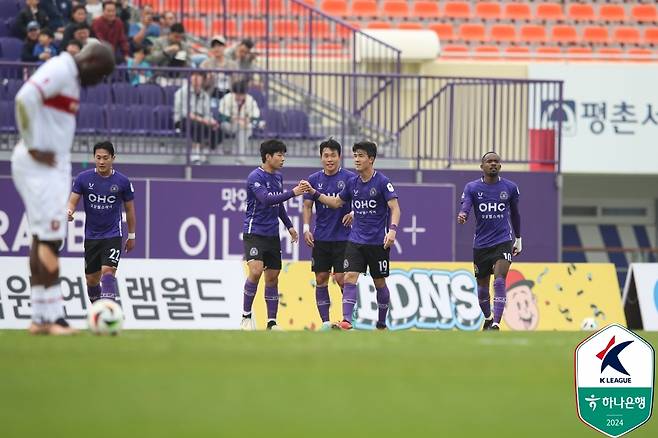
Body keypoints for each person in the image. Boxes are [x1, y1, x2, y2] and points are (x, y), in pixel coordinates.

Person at [11, 42, 115, 335]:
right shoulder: (60, 68)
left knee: (42, 238)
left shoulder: (70, 76)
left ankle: (40, 317)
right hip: (41, 165)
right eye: (101, 73)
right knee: (49, 242)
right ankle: (53, 318)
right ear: (92, 61)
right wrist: (33, 145)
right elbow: (24, 98)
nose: (98, 81)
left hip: (48, 165)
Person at [306, 141, 401, 330]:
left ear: (371, 159)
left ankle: (381, 323)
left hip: (377, 243)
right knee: (349, 277)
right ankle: (347, 321)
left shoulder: (382, 182)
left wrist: (392, 230)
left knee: (379, 282)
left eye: (361, 156)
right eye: (355, 155)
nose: (356, 159)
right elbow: (335, 202)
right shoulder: (352, 183)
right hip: (355, 241)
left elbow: (395, 208)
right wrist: (315, 193)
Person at [241, 140, 307, 331]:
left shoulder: (278, 177)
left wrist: (289, 226)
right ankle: (246, 317)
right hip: (254, 232)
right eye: (279, 154)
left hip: (272, 234)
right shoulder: (255, 177)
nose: (282, 158)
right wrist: (293, 193)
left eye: (283, 155)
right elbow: (266, 200)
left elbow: (278, 206)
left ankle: (271, 322)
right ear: (268, 157)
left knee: (273, 278)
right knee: (255, 271)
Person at [457, 151, 522, 331]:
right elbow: (466, 205)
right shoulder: (472, 187)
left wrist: (518, 239)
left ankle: (496, 323)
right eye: (489, 161)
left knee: (499, 281)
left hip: (503, 240)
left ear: (500, 166)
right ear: (482, 166)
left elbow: (516, 214)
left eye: (496, 161)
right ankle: (488, 317)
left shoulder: (510, 187)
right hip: (481, 244)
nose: (493, 164)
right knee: (483, 290)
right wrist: (463, 214)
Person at [67, 141, 136, 304]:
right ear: (94, 158)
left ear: (113, 158)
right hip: (92, 236)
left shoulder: (122, 182)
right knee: (91, 281)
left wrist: (131, 235)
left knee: (108, 272)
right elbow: (72, 202)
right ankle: (99, 313)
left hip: (113, 234)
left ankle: (108, 312)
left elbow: (130, 210)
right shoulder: (83, 179)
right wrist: (69, 212)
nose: (102, 161)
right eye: (98, 158)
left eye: (105, 158)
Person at [302, 138, 355, 330]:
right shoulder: (313, 180)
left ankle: (347, 319)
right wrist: (306, 229)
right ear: (321, 157)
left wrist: (353, 213)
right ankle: (325, 322)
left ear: (340, 157)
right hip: (321, 237)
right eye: (326, 155)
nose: (329, 159)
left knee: (342, 278)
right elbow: (307, 206)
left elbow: (360, 200)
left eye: (333, 155)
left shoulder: (350, 178)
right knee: (321, 278)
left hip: (344, 237)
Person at [174, 71, 220, 164]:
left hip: (200, 120)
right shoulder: (182, 93)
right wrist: (203, 120)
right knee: (196, 125)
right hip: (182, 120)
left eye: (198, 76)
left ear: (203, 79)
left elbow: (207, 114)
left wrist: (212, 122)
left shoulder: (205, 95)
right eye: (193, 76)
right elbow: (185, 113)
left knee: (218, 129)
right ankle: (195, 153)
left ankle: (205, 150)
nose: (195, 79)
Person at [218, 80, 260, 155]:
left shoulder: (250, 100)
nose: (239, 97)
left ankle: (240, 158)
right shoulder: (227, 98)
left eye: (242, 94)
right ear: (233, 92)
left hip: (245, 126)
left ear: (245, 93)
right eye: (237, 94)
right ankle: (240, 158)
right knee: (242, 128)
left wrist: (248, 120)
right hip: (228, 125)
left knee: (243, 130)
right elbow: (221, 116)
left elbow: (256, 117)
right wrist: (233, 119)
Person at [200, 35, 236, 100]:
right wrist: (208, 80)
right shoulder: (205, 64)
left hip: (230, 96)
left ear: (224, 47)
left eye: (219, 45)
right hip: (211, 95)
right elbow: (201, 85)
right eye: (214, 46)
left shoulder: (232, 65)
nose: (216, 48)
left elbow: (236, 84)